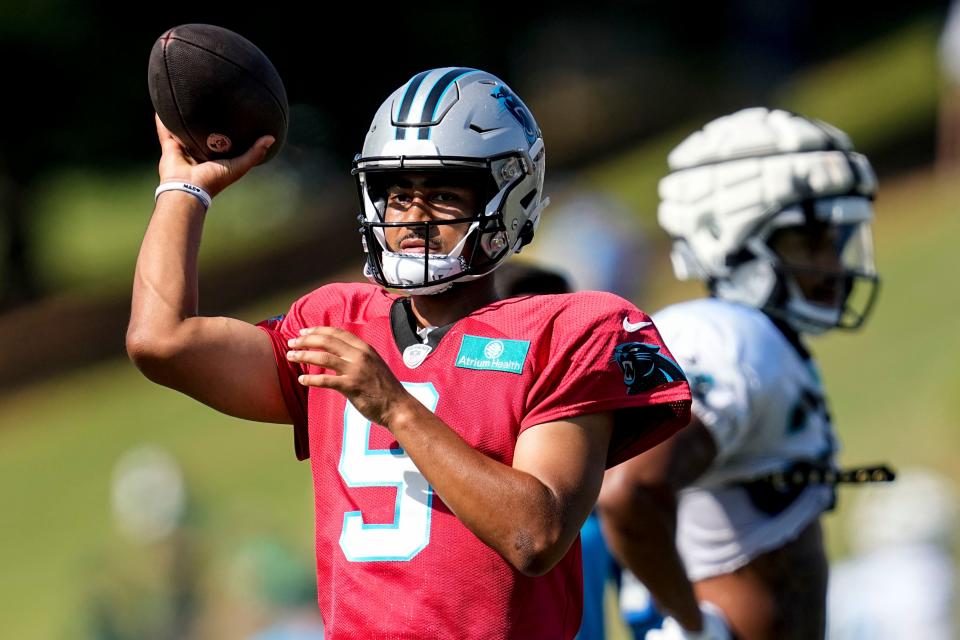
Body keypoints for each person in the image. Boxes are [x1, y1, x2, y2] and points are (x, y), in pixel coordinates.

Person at [127, 67, 692, 639]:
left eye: (443, 194)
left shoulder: (568, 330)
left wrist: (395, 407)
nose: (414, 218)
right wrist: (184, 188)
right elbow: (161, 341)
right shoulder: (334, 322)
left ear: (509, 195)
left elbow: (535, 534)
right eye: (398, 195)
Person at [597, 107, 882, 640]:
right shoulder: (731, 340)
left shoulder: (758, 340)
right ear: (732, 242)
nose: (835, 265)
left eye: (836, 241)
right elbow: (628, 493)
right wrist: (690, 623)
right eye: (809, 241)